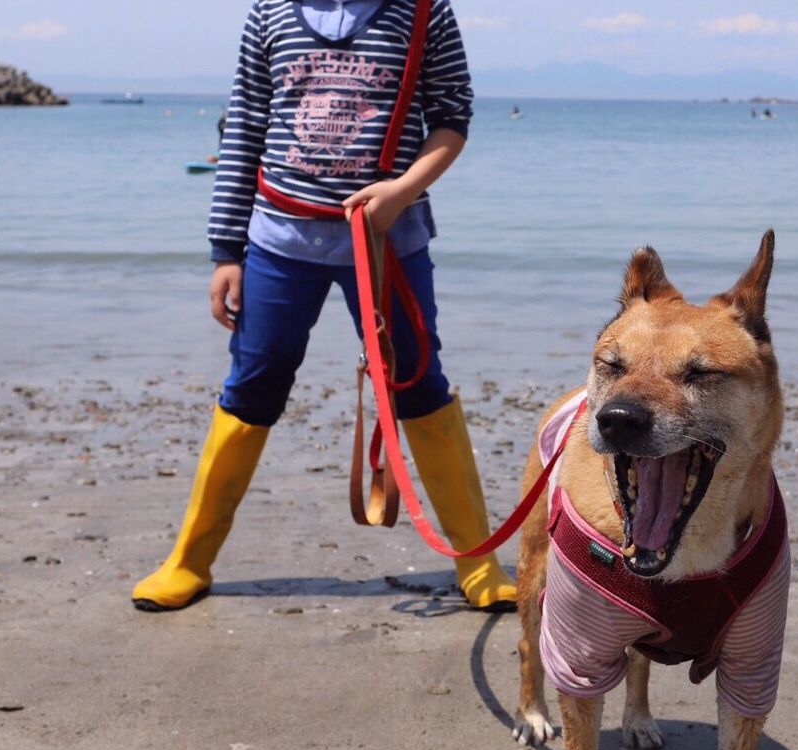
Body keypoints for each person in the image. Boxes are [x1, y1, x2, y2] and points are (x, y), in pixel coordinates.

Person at [132, 0, 518, 612]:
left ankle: (478, 562)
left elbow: (451, 121)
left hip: (390, 240)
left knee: (418, 384)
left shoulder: (425, 12)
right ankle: (189, 561)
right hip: (278, 241)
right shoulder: (268, 13)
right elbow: (245, 131)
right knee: (253, 385)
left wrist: (401, 192)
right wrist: (225, 250)